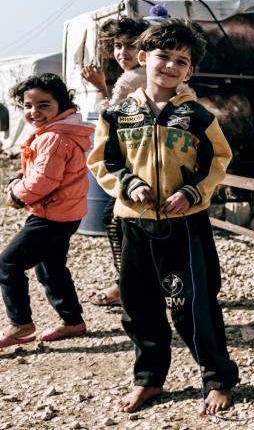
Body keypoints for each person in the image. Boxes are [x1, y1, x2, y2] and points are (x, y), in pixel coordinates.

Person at [87, 19, 238, 414]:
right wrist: (129, 185)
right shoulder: (117, 114)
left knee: (194, 304)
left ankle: (217, 378)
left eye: (181, 61)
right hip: (133, 223)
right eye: (163, 56)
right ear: (142, 58)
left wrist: (192, 192)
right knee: (139, 306)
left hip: (185, 224)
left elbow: (218, 160)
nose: (171, 65)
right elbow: (103, 160)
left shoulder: (197, 116)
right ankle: (149, 380)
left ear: (190, 71)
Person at [0, 74, 93, 347]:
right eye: (28, 106)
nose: (34, 112)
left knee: (7, 264)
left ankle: (20, 324)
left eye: (43, 105)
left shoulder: (54, 136)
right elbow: (45, 168)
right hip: (66, 212)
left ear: (60, 105)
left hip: (51, 214)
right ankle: (72, 321)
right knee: (50, 268)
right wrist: (20, 175)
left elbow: (44, 181)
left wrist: (17, 193)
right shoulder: (59, 130)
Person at [81, 16, 149, 307]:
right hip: (142, 157)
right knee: (125, 222)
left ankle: (128, 286)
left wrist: (99, 87)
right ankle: (134, 283)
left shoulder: (133, 77)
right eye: (118, 46)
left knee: (116, 220)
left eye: (130, 45)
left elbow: (111, 115)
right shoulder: (143, 74)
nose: (122, 52)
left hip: (135, 160)